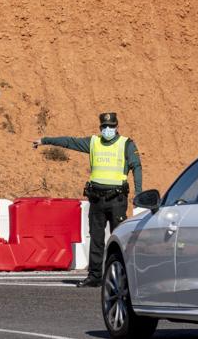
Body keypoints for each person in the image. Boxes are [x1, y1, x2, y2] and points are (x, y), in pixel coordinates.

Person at [32, 112, 142, 287]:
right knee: (96, 238)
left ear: (117, 127)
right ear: (100, 128)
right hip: (97, 199)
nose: (108, 130)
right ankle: (95, 276)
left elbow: (136, 166)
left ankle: (124, 277)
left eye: (111, 126)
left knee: (120, 239)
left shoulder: (126, 144)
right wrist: (45, 140)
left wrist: (139, 192)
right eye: (104, 127)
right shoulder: (93, 143)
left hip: (117, 199)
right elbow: (69, 142)